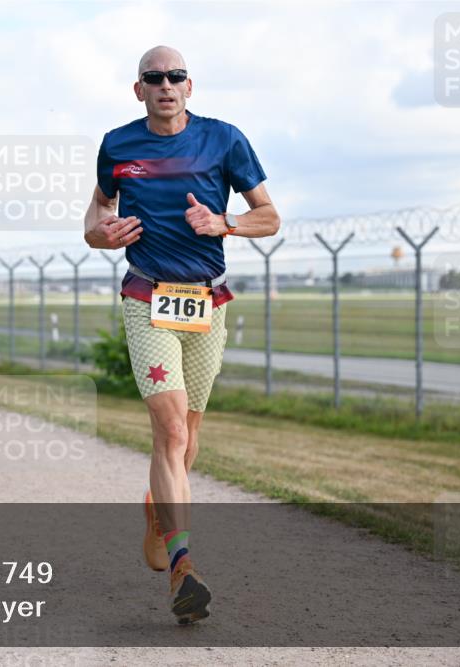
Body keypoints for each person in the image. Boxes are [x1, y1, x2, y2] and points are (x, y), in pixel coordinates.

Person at [84, 46, 280, 625]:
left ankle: (157, 509)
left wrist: (226, 223)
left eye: (175, 76)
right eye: (154, 78)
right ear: (138, 89)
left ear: (190, 87)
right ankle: (183, 568)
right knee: (169, 430)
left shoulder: (224, 140)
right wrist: (104, 236)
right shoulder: (117, 145)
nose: (165, 85)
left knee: (187, 440)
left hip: (206, 301)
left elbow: (269, 215)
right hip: (147, 295)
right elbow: (96, 216)